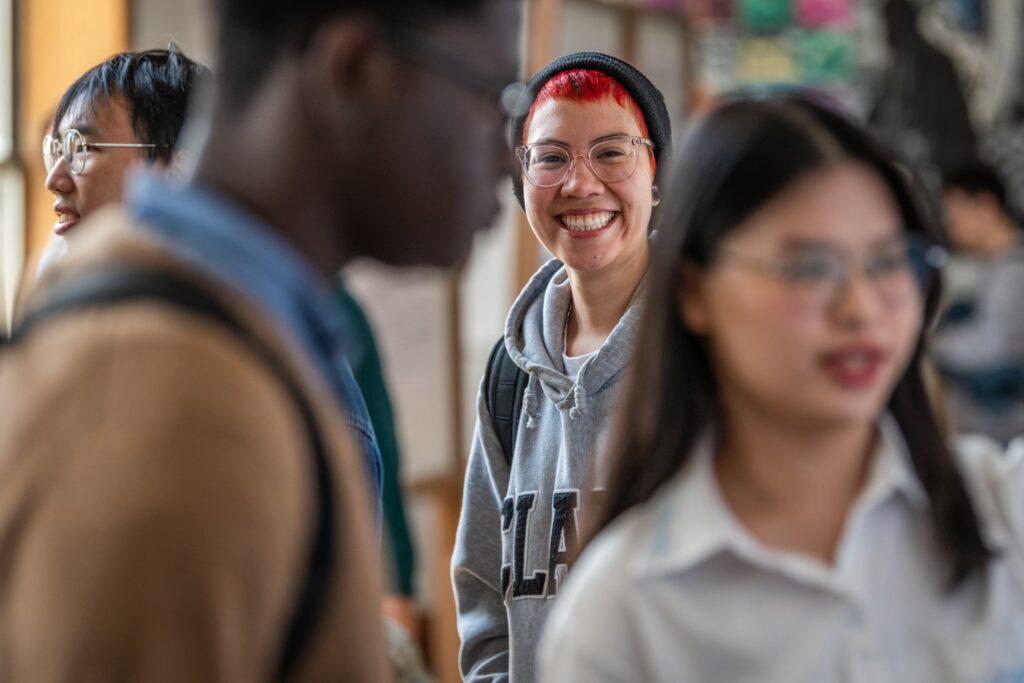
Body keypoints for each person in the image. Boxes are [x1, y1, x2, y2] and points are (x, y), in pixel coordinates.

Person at [0, 0, 522, 680]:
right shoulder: (175, 398)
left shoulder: (250, 341)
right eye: (490, 95)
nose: (511, 154)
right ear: (352, 69)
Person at [539, 96, 1024, 681]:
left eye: (888, 261)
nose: (861, 309)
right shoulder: (624, 615)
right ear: (694, 290)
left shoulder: (1000, 513)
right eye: (810, 268)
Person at [451, 52, 672, 682]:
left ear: (654, 173)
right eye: (551, 156)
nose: (580, 184)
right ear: (522, 177)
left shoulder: (704, 351)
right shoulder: (511, 370)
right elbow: (484, 598)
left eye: (611, 152)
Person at [30, 46, 208, 279]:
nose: (53, 181)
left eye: (83, 149)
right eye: (57, 150)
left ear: (178, 170)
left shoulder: (220, 295)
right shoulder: (56, 270)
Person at [931, 161, 1024, 445]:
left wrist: (929, 346)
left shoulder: (1016, 270)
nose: (950, 225)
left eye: (955, 212)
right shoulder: (996, 267)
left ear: (985, 205)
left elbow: (992, 344)